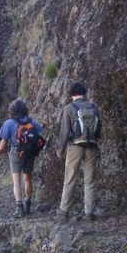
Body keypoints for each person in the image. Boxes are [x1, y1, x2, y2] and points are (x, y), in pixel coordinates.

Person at [56, 81, 102, 221]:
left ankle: (64, 211)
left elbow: (65, 131)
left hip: (75, 146)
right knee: (90, 180)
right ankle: (89, 213)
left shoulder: (69, 108)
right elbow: (99, 127)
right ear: (84, 93)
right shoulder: (94, 107)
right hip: (92, 147)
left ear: (71, 94)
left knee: (70, 179)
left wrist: (60, 149)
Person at [0, 99, 44, 217]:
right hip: (29, 153)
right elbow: (39, 134)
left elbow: (3, 142)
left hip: (15, 152)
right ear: (25, 110)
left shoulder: (9, 123)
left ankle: (19, 208)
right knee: (27, 179)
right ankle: (28, 203)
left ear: (12, 110)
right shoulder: (32, 122)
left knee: (16, 181)